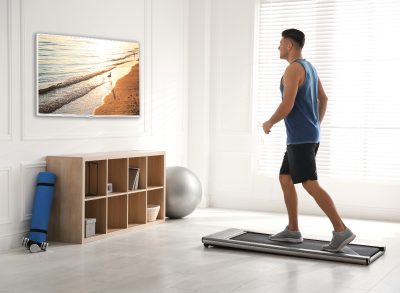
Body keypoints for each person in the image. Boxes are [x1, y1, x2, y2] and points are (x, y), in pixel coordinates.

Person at [262, 29, 355, 252]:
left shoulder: (293, 69)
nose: (278, 47)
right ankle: (293, 230)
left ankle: (341, 230)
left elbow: (288, 104)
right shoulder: (309, 67)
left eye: (280, 43)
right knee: (285, 178)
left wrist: (269, 122)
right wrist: (316, 124)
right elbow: (323, 98)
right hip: (303, 136)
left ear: (289, 46)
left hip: (301, 138)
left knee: (309, 183)